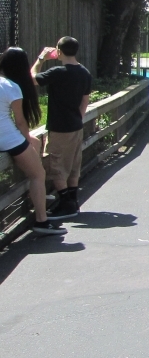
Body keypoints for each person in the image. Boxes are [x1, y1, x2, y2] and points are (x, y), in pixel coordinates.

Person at [0, 48, 65, 235]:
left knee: (35, 143)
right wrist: (25, 138)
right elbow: (20, 121)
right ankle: (41, 221)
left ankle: (36, 199)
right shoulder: (12, 87)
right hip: (7, 138)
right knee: (38, 174)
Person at [32, 36, 92, 221]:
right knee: (74, 165)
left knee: (56, 165)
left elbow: (33, 78)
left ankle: (66, 204)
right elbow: (85, 100)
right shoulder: (84, 73)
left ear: (58, 50)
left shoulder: (58, 72)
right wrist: (77, 118)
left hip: (59, 127)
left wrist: (41, 59)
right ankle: (72, 201)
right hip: (75, 125)